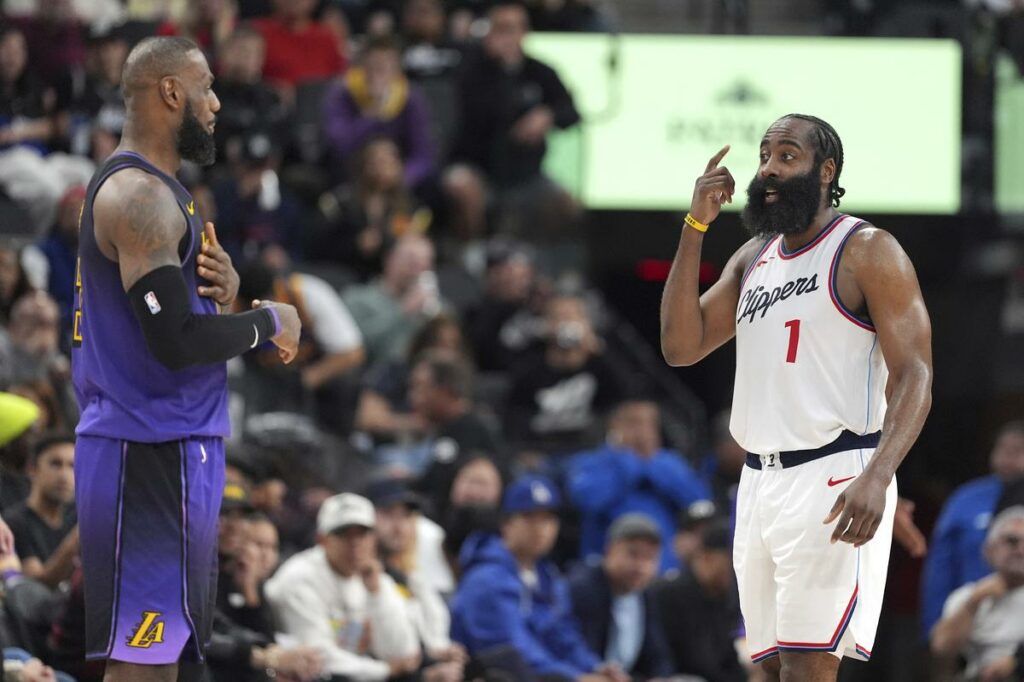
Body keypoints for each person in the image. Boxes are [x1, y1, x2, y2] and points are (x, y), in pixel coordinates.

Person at [659, 114, 933, 680]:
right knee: (769, 668)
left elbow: (916, 375)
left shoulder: (867, 250)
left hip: (832, 471)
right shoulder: (754, 256)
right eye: (764, 156)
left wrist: (879, 475)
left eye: (787, 156)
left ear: (825, 170)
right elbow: (680, 346)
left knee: (808, 668)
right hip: (759, 482)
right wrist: (694, 227)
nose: (768, 169)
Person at [70, 36, 300, 681]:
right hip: (144, 450)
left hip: (172, 442)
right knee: (141, 666)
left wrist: (223, 301)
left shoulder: (165, 193)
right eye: (207, 88)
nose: (218, 103)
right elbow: (172, 343)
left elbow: (176, 324)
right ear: (171, 92)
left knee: (162, 659)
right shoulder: (139, 197)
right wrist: (269, 320)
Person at [451, 475, 629, 682]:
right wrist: (576, 678)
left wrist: (596, 668)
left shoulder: (548, 577)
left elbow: (564, 637)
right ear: (506, 524)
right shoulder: (485, 580)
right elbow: (511, 652)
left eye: (547, 519)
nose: (540, 528)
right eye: (529, 518)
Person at [264, 493, 422, 681]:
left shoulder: (376, 578)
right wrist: (384, 670)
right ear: (322, 540)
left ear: (373, 538)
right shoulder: (298, 579)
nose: (355, 543)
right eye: (343, 534)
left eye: (362, 533)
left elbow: (403, 652)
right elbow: (315, 656)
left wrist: (376, 594)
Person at [568, 398, 710, 573]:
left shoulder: (669, 463)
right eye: (634, 423)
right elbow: (589, 500)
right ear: (614, 426)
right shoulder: (591, 463)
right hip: (607, 572)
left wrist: (653, 466)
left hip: (664, 569)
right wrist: (629, 462)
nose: (644, 430)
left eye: (651, 424)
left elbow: (700, 503)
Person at [922, 420, 1024, 634]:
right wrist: (933, 625)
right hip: (966, 614)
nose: (1008, 457)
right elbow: (940, 563)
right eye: (1002, 449)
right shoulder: (966, 498)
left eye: (1017, 450)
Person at [568, 514, 675, 681]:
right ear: (609, 550)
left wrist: (659, 677)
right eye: (633, 554)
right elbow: (579, 652)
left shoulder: (646, 594)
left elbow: (659, 657)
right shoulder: (584, 588)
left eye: (650, 558)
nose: (640, 566)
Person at [321, 35, 436, 190]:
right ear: (363, 67)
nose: (379, 75)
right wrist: (371, 113)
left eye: (386, 68)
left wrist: (402, 177)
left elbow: (423, 154)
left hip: (398, 177)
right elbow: (340, 146)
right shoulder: (343, 93)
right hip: (353, 174)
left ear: (397, 70)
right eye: (374, 67)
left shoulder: (410, 98)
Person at [930, 506, 1024, 682]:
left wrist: (1016, 663)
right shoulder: (970, 595)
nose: (1020, 550)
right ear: (990, 550)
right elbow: (941, 649)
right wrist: (973, 602)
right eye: (1012, 541)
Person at [653, 517, 746, 682]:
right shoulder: (669, 592)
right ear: (707, 557)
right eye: (731, 561)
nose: (736, 570)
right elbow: (692, 660)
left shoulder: (725, 596)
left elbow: (728, 657)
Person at [5, 433, 77, 589]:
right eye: (55, 464)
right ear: (32, 469)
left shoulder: (75, 518)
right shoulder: (15, 522)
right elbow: (37, 584)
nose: (64, 475)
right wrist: (78, 538)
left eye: (72, 466)